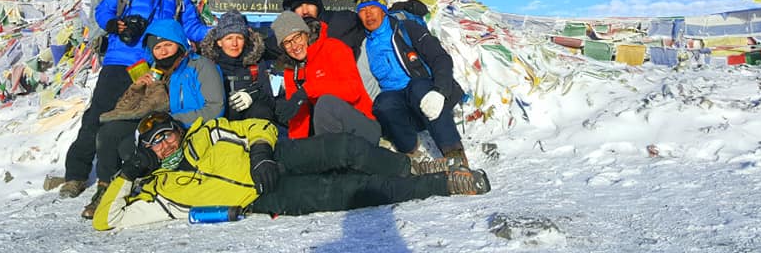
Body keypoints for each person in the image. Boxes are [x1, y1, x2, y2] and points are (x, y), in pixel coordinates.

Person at [93, 111, 490, 230]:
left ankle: (414, 165)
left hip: (274, 159)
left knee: (346, 148)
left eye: (167, 134)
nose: (164, 144)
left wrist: (262, 152)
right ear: (148, 153)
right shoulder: (158, 191)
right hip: (261, 199)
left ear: (177, 131)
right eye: (154, 143)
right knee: (349, 191)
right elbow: (105, 222)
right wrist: (128, 174)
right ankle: (443, 182)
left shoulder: (206, 133)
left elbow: (256, 125)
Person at [85, 18, 225, 219]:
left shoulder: (200, 66)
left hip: (188, 128)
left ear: (179, 43)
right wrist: (137, 88)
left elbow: (215, 108)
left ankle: (141, 186)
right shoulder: (152, 72)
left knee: (129, 147)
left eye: (168, 44)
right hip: (157, 126)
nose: (164, 51)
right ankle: (106, 188)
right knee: (110, 133)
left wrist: (174, 119)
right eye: (158, 47)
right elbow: (127, 109)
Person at [353, 0, 470, 168]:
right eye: (362, 11)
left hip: (428, 98)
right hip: (400, 108)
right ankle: (411, 152)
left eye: (372, 7)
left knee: (418, 87)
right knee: (383, 103)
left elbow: (440, 58)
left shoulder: (407, 29)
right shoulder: (364, 47)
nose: (368, 14)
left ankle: (455, 154)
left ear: (383, 8)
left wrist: (440, 91)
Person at [270, 11, 379, 144]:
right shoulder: (292, 70)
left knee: (325, 103)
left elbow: (353, 91)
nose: (294, 46)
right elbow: (298, 115)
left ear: (306, 34)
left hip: (363, 125)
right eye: (287, 43)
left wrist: (307, 90)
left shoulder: (334, 48)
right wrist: (296, 146)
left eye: (297, 37)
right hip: (332, 132)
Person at [200, 10, 275, 122]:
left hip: (250, 126)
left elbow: (269, 98)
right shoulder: (207, 65)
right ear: (219, 42)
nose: (234, 44)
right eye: (229, 38)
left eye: (239, 38)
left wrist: (252, 94)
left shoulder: (256, 64)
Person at [266, 0, 364, 61]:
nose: (305, 11)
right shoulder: (287, 34)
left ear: (318, 5)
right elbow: (263, 48)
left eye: (309, 4)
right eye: (298, 6)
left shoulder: (342, 22)